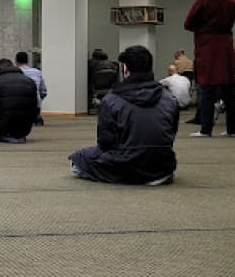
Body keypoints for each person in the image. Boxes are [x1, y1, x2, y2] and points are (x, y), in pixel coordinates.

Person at [69, 45, 179, 185]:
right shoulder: (169, 98)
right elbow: (171, 133)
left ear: (125, 69)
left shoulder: (111, 99)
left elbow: (105, 142)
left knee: (78, 158)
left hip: (126, 164)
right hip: (162, 166)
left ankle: (132, 176)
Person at [185, 0, 235, 138]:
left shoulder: (203, 1)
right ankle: (232, 129)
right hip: (226, 47)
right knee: (229, 88)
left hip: (207, 47)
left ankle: (206, 129)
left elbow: (187, 23)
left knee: (207, 88)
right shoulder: (232, 2)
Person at [0, 59, 39, 144]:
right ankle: (16, 136)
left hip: (3, 125)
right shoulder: (29, 81)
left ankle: (7, 136)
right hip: (25, 127)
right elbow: (35, 105)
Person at [16, 52, 47, 125]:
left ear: (16, 61)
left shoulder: (14, 72)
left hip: (17, 105)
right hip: (34, 103)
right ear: (27, 60)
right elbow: (43, 91)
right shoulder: (37, 72)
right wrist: (39, 98)